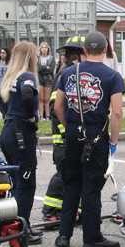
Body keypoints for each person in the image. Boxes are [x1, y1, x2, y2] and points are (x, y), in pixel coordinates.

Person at [54, 31, 125, 247]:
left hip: (73, 129)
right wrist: (113, 140)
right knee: (92, 186)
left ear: (84, 50)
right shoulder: (112, 76)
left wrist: (70, 126)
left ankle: (64, 235)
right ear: (105, 50)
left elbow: (57, 107)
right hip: (96, 133)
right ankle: (92, 237)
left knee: (71, 184)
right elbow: (117, 113)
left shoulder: (68, 73)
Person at [41, 36, 86, 221]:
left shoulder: (72, 71)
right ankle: (51, 210)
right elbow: (54, 107)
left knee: (75, 174)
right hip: (64, 139)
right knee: (64, 173)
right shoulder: (66, 74)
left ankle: (72, 209)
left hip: (70, 137)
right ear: (79, 54)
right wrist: (68, 132)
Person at [0, 41, 40, 225]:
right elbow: (27, 95)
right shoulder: (26, 77)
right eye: (36, 55)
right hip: (20, 133)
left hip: (8, 129)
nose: (38, 58)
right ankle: (22, 226)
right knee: (26, 183)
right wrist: (31, 118)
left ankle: (11, 221)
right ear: (30, 57)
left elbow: (3, 103)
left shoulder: (11, 77)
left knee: (16, 180)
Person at [37, 42, 56, 119]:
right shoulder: (37, 58)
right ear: (40, 49)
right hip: (40, 79)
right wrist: (45, 67)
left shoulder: (51, 58)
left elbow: (51, 70)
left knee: (47, 99)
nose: (44, 49)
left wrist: (42, 68)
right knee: (40, 99)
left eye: (45, 47)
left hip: (48, 79)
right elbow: (37, 69)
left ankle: (48, 116)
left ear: (48, 49)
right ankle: (41, 116)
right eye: (42, 47)